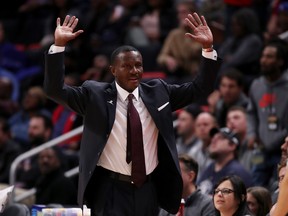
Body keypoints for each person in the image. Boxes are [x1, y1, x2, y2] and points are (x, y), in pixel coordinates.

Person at [43, 13, 221, 216]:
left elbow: (200, 89)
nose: (134, 70)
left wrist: (207, 50)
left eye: (138, 65)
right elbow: (55, 91)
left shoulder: (159, 92)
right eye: (127, 66)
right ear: (113, 70)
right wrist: (58, 46)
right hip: (110, 188)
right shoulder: (94, 95)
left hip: (149, 187)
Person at [247, 38, 288, 187]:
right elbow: (251, 112)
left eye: (269, 57)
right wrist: (251, 134)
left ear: (280, 61)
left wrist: (277, 140)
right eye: (263, 56)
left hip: (284, 150)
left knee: (279, 190)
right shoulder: (256, 85)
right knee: (256, 191)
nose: (263, 60)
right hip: (262, 150)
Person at [197, 127, 253, 195]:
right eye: (214, 137)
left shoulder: (237, 173)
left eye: (220, 138)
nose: (213, 140)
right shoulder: (210, 167)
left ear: (232, 146)